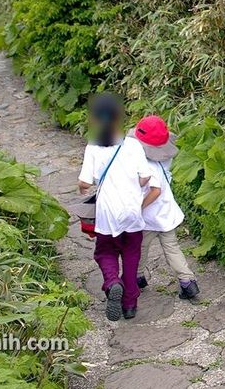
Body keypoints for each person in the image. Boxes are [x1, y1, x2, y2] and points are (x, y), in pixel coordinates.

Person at [78, 93, 150, 321]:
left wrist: (82, 188)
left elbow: (85, 182)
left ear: (94, 119)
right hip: (132, 211)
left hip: (108, 213)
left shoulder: (93, 147)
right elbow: (145, 177)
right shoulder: (134, 145)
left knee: (105, 251)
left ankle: (112, 282)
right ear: (120, 117)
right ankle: (129, 304)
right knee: (131, 256)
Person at [132, 115, 200, 300]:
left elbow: (155, 191)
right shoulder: (164, 160)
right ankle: (188, 282)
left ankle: (136, 278)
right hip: (167, 213)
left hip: (149, 217)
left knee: (140, 248)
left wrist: (138, 206)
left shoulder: (147, 165)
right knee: (172, 248)